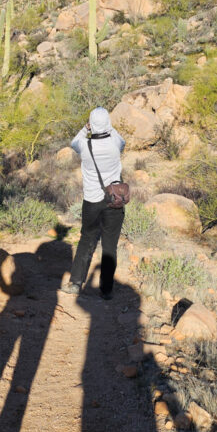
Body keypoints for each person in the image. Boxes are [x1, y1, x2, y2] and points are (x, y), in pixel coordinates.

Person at [62, 106, 125, 301]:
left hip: (91, 201)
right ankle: (106, 290)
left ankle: (75, 283)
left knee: (87, 239)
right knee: (109, 246)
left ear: (91, 123)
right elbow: (121, 140)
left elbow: (73, 142)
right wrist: (109, 127)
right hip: (114, 200)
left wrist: (85, 128)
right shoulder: (115, 143)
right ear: (107, 123)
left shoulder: (84, 144)